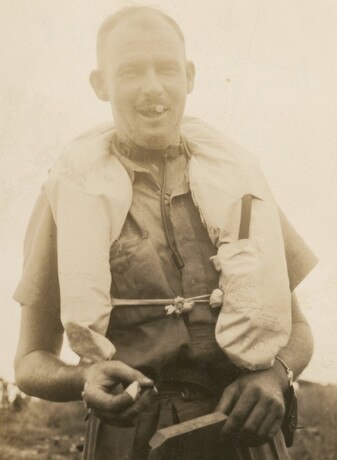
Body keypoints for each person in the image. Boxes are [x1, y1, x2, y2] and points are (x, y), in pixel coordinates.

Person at [14, 6, 317, 460]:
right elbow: (29, 362)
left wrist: (274, 375)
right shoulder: (70, 194)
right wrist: (83, 379)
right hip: (131, 439)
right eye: (131, 71)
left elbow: (298, 330)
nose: (153, 87)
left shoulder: (241, 185)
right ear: (101, 84)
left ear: (189, 77)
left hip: (245, 432)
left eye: (167, 69)